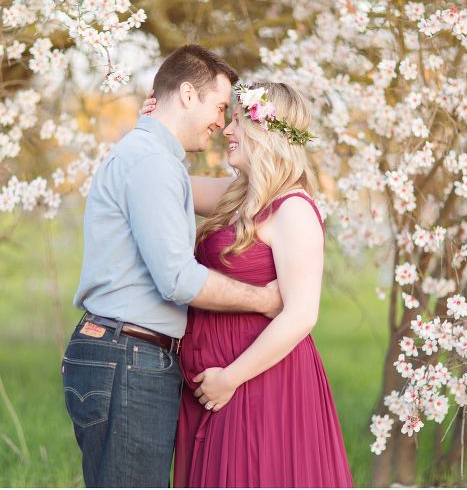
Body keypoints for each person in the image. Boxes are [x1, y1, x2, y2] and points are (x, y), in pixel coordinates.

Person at [63, 45, 284, 488]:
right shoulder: (150, 162)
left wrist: (283, 179)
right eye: (220, 107)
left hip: (121, 351)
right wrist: (263, 299)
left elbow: (236, 196)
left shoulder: (150, 158)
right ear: (186, 94)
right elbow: (178, 280)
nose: (221, 123)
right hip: (128, 355)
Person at [141, 82, 354, 487]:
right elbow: (162, 180)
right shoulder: (235, 198)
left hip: (257, 379)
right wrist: (152, 128)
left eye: (237, 120)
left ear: (265, 132)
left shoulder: (293, 209)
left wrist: (231, 378)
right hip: (211, 384)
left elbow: (302, 315)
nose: (227, 130)